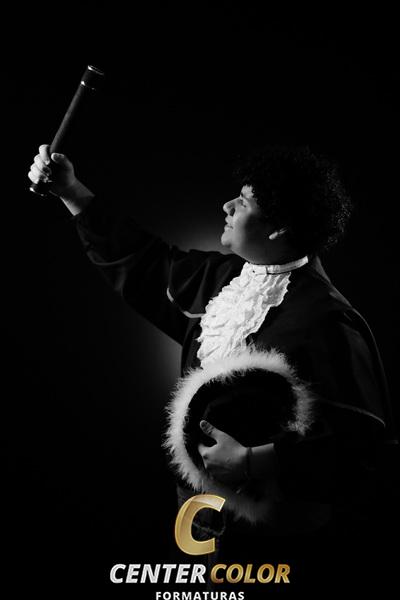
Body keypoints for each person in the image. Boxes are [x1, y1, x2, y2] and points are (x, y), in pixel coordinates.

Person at [28, 143, 396, 582]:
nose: (228, 205)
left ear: (279, 227)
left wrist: (253, 460)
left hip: (276, 537)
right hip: (197, 516)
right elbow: (145, 261)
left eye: (245, 201)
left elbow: (360, 442)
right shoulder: (223, 280)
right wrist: (70, 190)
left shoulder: (326, 318)